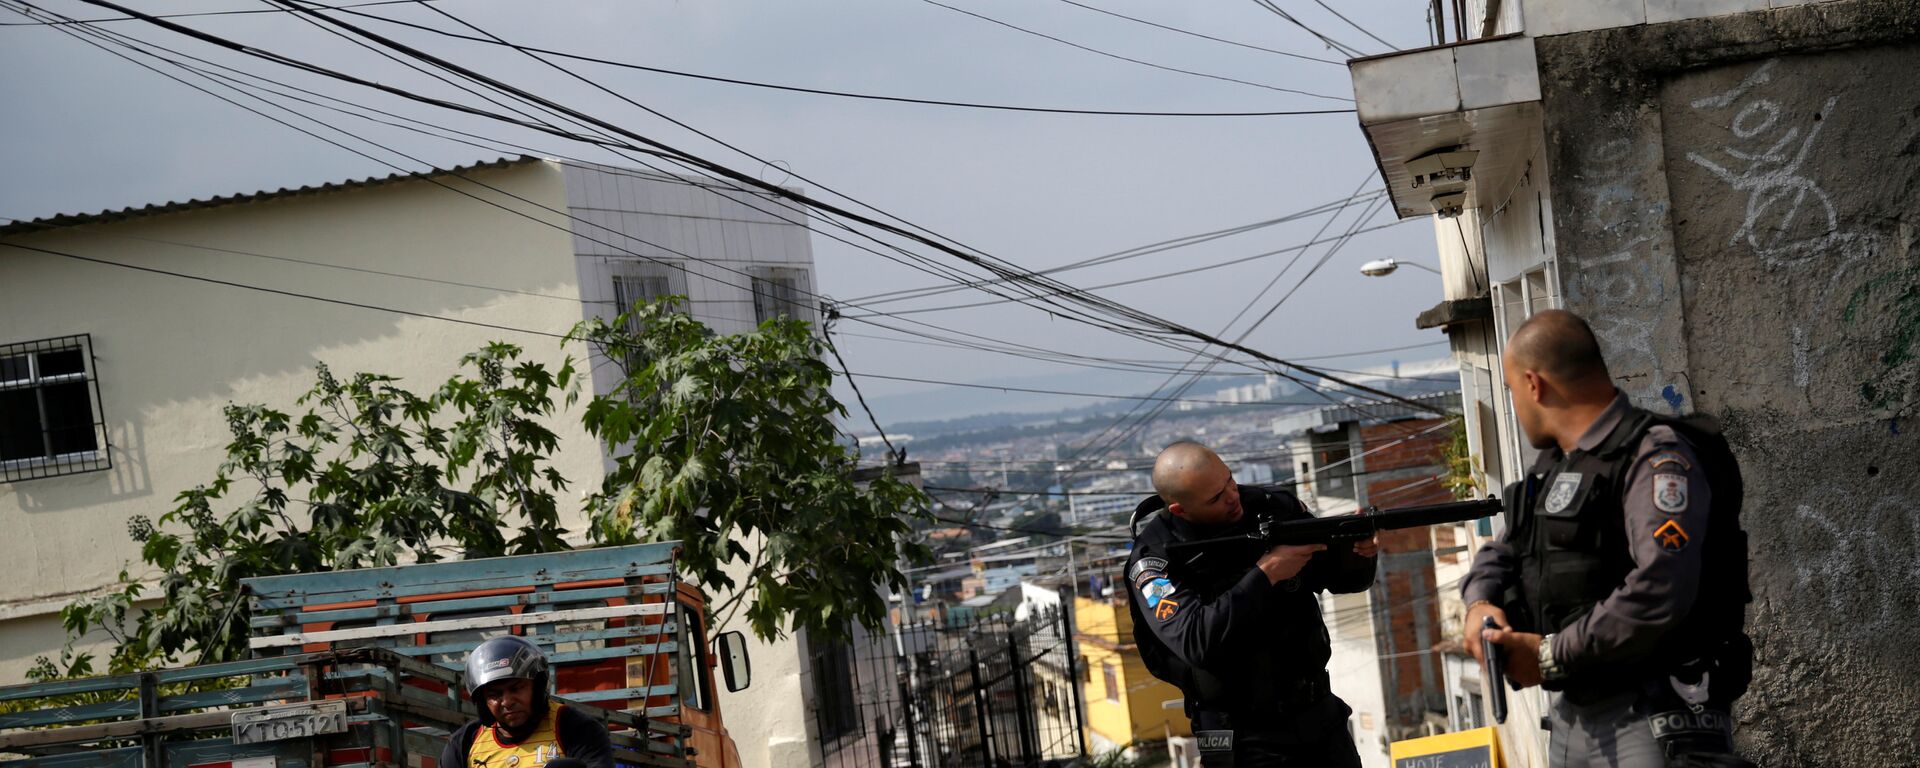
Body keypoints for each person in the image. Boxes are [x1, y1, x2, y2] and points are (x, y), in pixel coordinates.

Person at [1462, 309, 1753, 768]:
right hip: (1575, 713)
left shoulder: (1655, 456)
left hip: (1651, 713)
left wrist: (1548, 654)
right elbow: (1506, 548)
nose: (1515, 404)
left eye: (1512, 389)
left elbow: (1661, 586)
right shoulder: (1559, 465)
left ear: (1534, 385)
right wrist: (1480, 605)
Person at [1125, 440, 1379, 767]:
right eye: (1216, 498)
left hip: (1316, 713)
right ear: (1180, 509)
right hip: (1238, 735)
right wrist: (1267, 573)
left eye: (1230, 481)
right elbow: (1195, 640)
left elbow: (1343, 580)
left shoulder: (1271, 507)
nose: (1233, 497)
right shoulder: (1155, 559)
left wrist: (1358, 553)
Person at [440, 635, 616, 768]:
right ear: (483, 702)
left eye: (516, 689)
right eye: (495, 695)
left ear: (538, 687)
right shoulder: (464, 743)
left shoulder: (574, 729)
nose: (507, 701)